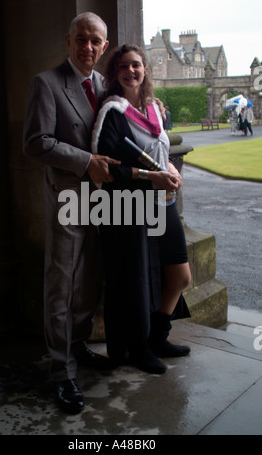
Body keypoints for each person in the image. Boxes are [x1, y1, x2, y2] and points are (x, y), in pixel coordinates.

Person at [23, 12, 119, 415]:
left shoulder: (105, 86)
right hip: (67, 199)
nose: (88, 46)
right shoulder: (46, 83)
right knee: (61, 285)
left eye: (96, 40)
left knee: (90, 280)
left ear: (104, 46)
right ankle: (62, 372)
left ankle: (78, 345)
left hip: (101, 202)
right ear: (69, 40)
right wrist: (85, 161)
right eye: (81, 38)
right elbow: (35, 142)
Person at [91, 44, 192, 375]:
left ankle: (158, 337)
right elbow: (110, 168)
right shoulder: (112, 112)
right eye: (122, 66)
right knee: (135, 280)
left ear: (145, 69)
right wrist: (155, 175)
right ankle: (139, 347)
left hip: (164, 203)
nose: (130, 71)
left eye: (136, 65)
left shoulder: (154, 109)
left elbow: (162, 152)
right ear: (114, 73)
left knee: (179, 276)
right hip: (129, 207)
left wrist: (171, 171)